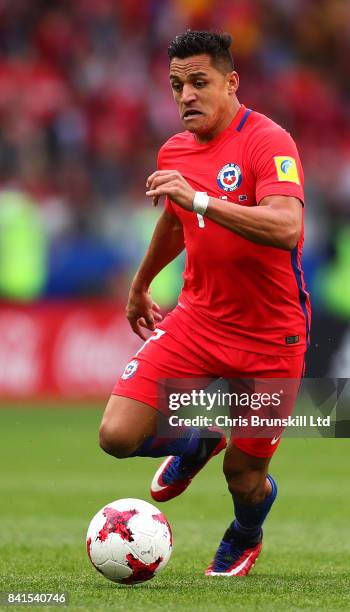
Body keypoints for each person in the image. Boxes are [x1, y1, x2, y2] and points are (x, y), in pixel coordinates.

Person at [99, 30, 310, 576]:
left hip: (272, 335)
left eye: (198, 82)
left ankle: (246, 530)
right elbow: (175, 219)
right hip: (199, 318)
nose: (186, 95)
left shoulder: (269, 141)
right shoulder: (174, 150)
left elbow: (287, 226)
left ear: (230, 82)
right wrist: (141, 283)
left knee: (243, 476)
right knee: (117, 436)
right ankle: (198, 437)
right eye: (176, 86)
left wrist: (201, 199)